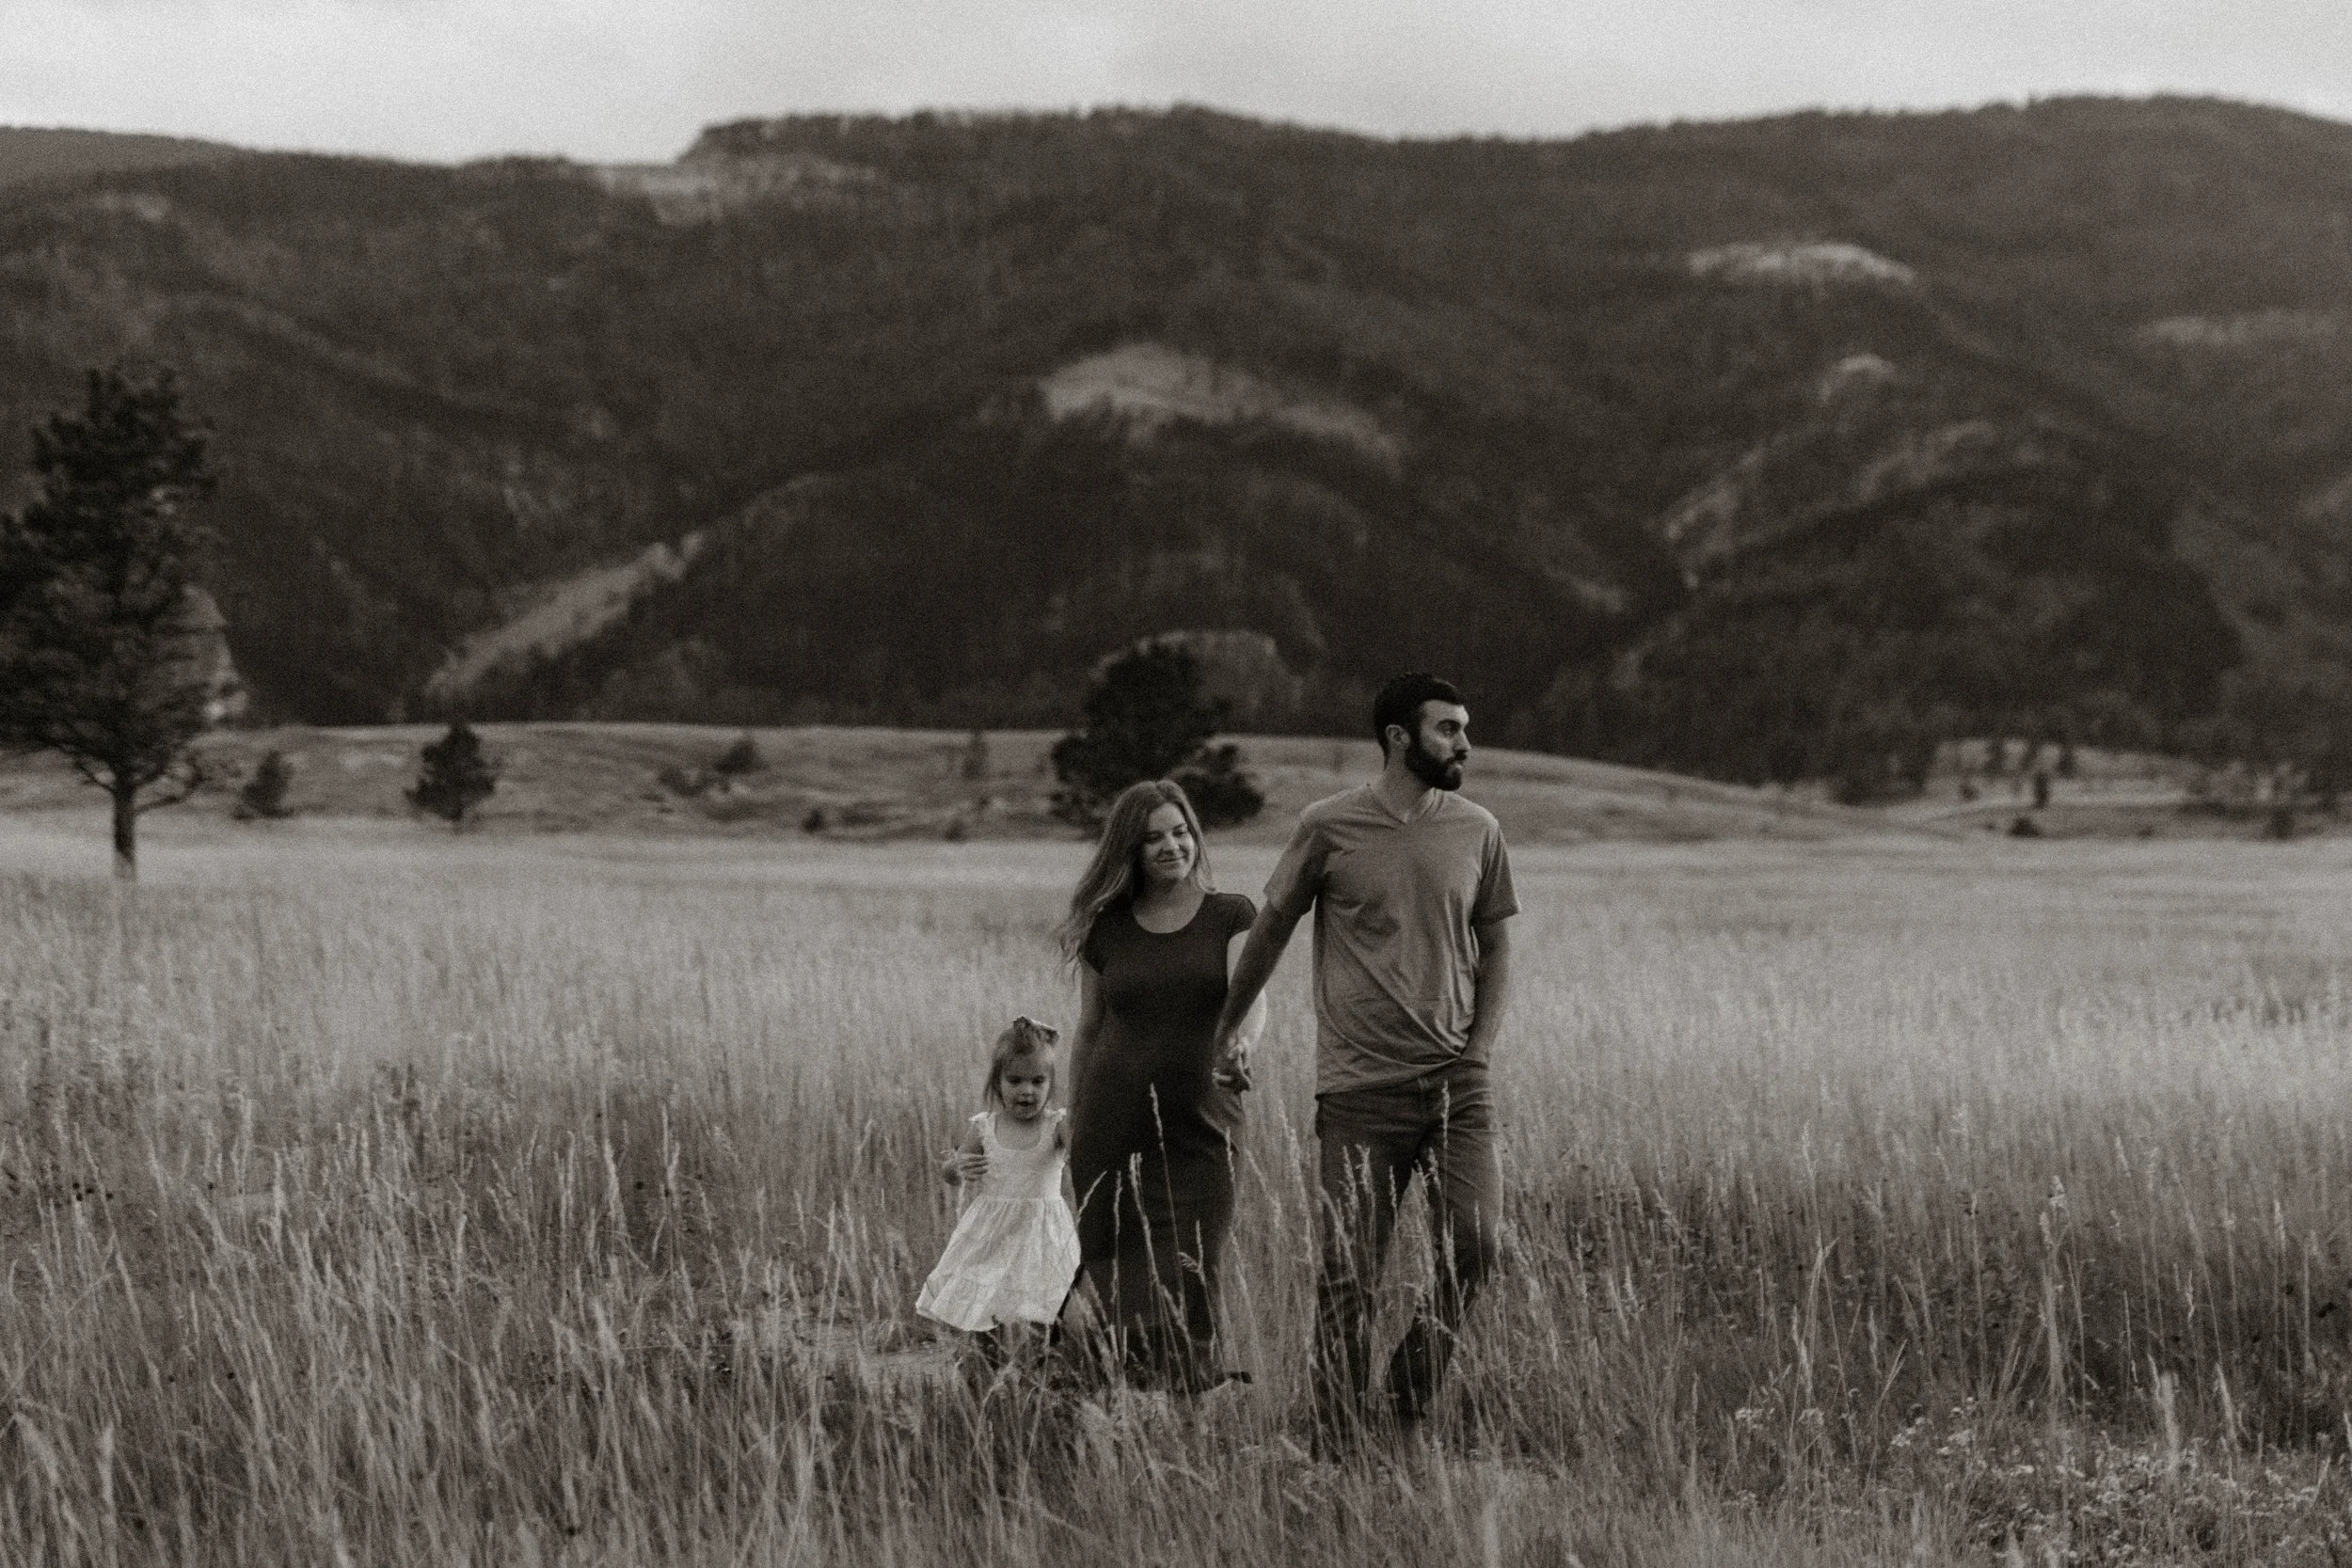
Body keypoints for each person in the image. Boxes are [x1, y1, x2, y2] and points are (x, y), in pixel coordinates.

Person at [1211, 673, 1518, 1449]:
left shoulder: (1478, 827)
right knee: (1349, 1275)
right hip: (1358, 1091)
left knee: (1478, 1243)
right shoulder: (1330, 825)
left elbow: (1497, 944)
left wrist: (1477, 1052)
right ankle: (1338, 1439)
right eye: (1448, 728)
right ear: (1398, 737)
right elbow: (1272, 929)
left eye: (1464, 727)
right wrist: (1224, 1031)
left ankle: (1409, 1394)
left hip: (1457, 1084)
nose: (1465, 743)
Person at [1056, 780, 1266, 1392]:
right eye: (1152, 838)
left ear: (1196, 835)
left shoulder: (1231, 913)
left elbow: (1250, 998)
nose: (1171, 846)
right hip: (1110, 1130)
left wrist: (1242, 1043)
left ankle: (1185, 1401)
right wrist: (1073, 1117)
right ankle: (1109, 1390)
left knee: (1194, 1265)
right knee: (1112, 1265)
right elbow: (1089, 1030)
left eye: (1180, 831)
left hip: (1202, 1128)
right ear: (1131, 851)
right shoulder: (1108, 928)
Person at [916, 1017, 1082, 1368]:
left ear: (1051, 1085)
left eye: (1038, 1082)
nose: (1027, 1091)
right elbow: (954, 1168)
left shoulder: (1055, 1126)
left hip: (1043, 1236)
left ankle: (1036, 1370)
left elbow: (1081, 1151)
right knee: (985, 1302)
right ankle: (985, 1366)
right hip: (991, 1234)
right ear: (997, 1082)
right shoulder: (985, 1128)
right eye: (1015, 1080)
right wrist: (956, 1170)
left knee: (1040, 1305)